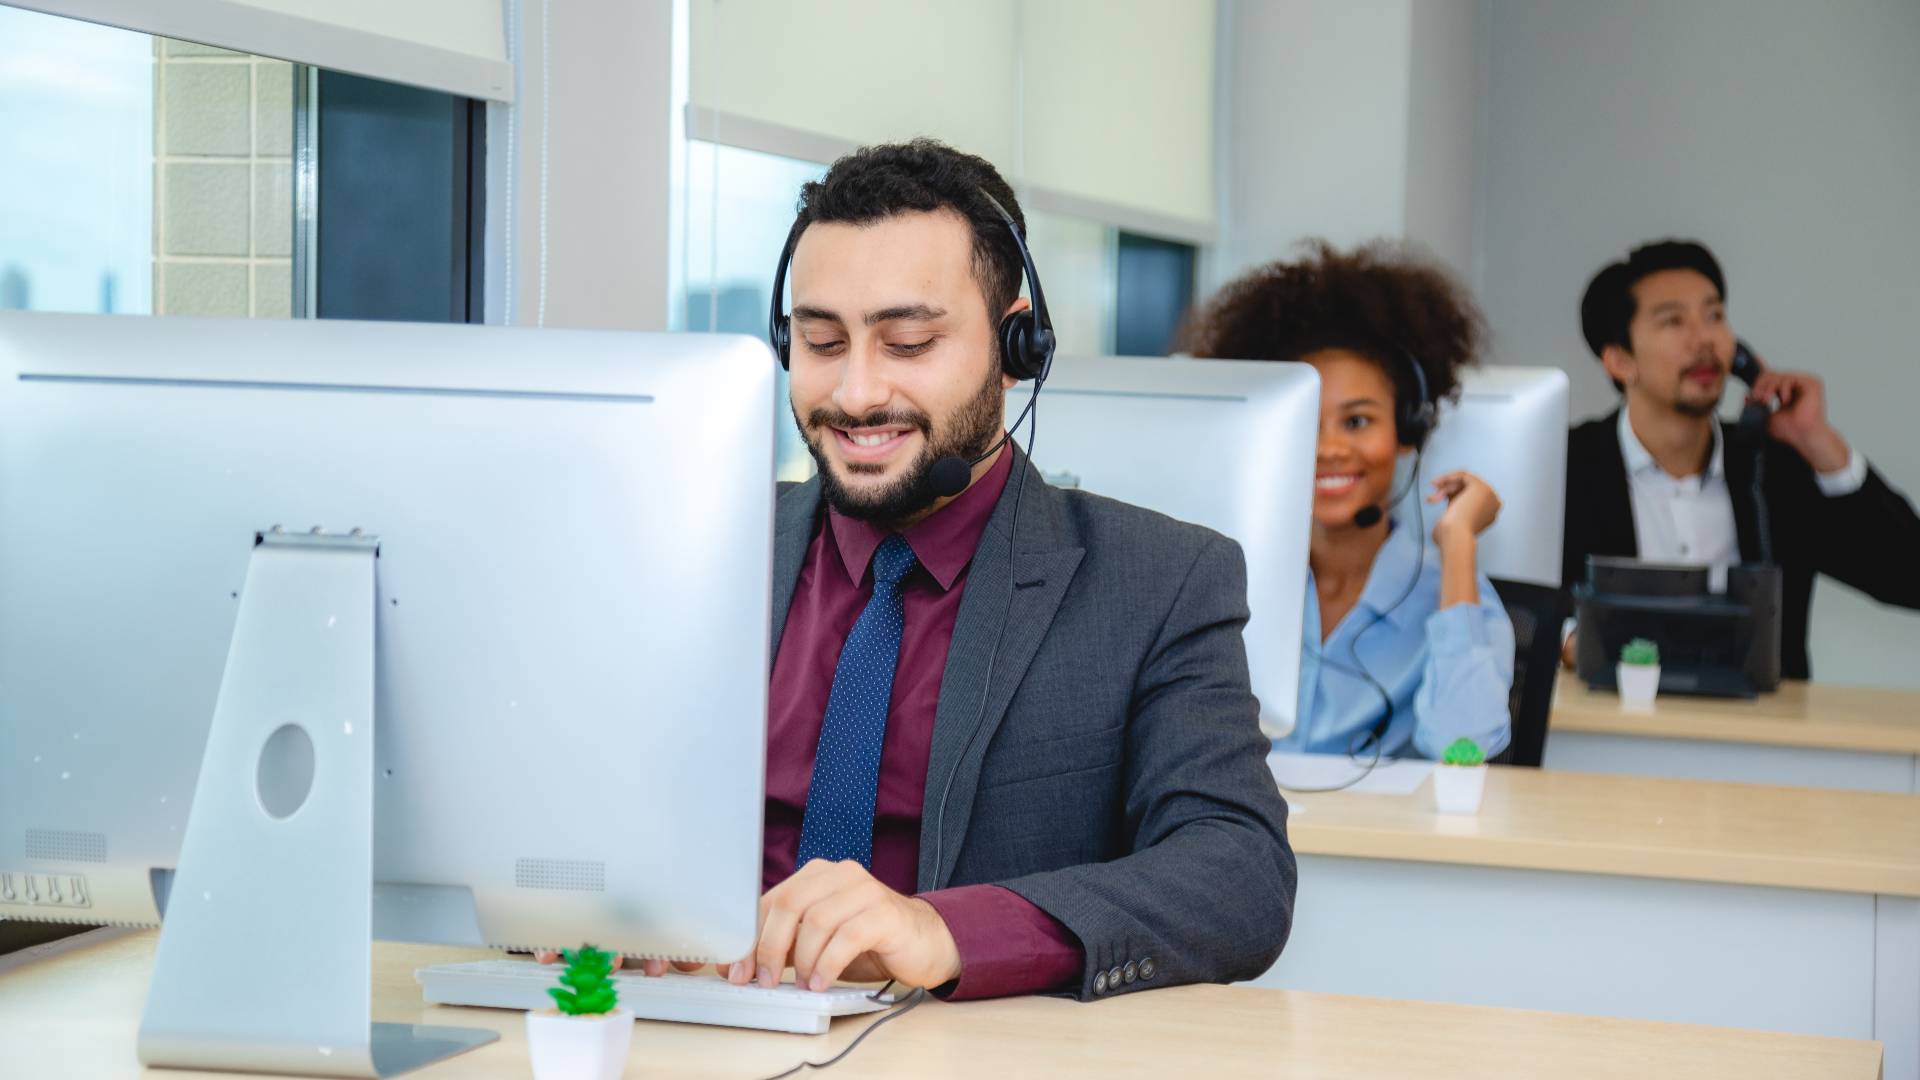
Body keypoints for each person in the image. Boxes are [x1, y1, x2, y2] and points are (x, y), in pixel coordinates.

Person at [546, 140, 1295, 1001]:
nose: (858, 393)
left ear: (1017, 346)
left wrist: (944, 929)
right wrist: (579, 900)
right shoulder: (689, 554)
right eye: (823, 341)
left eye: (907, 343)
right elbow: (582, 803)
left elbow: (1239, 876)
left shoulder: (1161, 581)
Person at [1180, 240, 1514, 762]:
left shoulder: (1454, 596)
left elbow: (1461, 747)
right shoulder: (1223, 583)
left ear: (1409, 431)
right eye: (1306, 425)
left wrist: (1459, 543)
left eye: (1357, 421)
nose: (1331, 449)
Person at [1563, 239, 1920, 678]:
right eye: (1673, 321)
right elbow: (1510, 604)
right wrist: (1568, 641)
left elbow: (1909, 578)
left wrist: (1821, 445)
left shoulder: (1772, 471)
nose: (1705, 339)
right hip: (1608, 735)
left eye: (1714, 316)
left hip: (1762, 739)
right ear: (1620, 361)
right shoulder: (1566, 467)